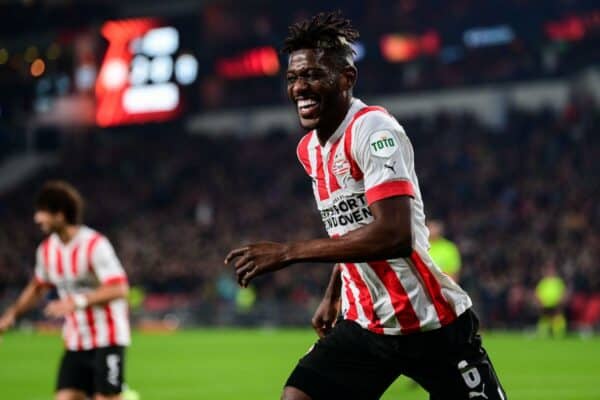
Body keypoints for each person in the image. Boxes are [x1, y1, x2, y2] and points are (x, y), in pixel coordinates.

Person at [225, 12, 507, 400]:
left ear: (347, 78)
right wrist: (334, 293)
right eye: (293, 78)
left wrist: (289, 252)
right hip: (366, 324)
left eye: (312, 75)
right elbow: (351, 226)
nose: (300, 88)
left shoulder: (374, 131)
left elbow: (394, 235)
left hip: (429, 324)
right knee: (299, 396)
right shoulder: (309, 151)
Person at [0, 180, 130, 400]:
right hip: (76, 340)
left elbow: (119, 288)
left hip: (108, 338)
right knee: (65, 397)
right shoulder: (47, 250)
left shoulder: (95, 245)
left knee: (106, 398)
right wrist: (11, 316)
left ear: (60, 215)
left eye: (42, 213)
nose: (36, 219)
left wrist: (78, 301)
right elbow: (38, 286)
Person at [535, 261, 567, 338]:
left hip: (556, 303)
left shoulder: (558, 282)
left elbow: (563, 292)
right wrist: (539, 301)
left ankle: (558, 334)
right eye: (549, 270)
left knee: (558, 318)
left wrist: (561, 299)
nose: (550, 272)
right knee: (544, 319)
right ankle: (543, 334)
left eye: (552, 270)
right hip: (545, 303)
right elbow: (538, 292)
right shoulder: (543, 282)